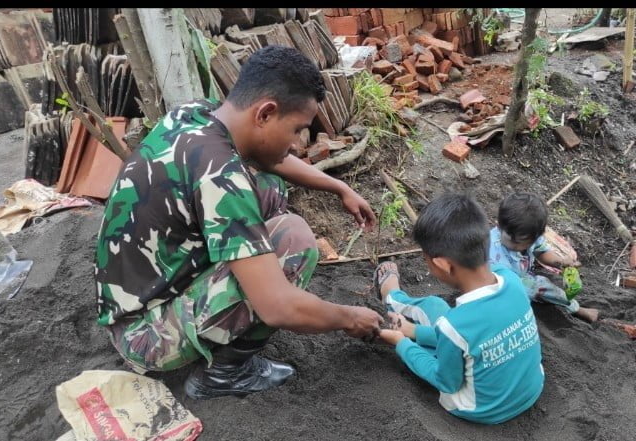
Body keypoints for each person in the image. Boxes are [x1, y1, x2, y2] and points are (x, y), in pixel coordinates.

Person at [94, 45, 383, 400]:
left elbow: (271, 160)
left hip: (132, 296)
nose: (296, 144)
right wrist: (350, 318)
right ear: (265, 113)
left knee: (269, 188)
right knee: (294, 242)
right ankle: (225, 373)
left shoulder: (197, 115)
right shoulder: (221, 179)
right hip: (145, 335)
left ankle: (231, 288)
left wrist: (339, 187)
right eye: (296, 130)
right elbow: (278, 307)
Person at [374, 192, 544, 424]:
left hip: (481, 409)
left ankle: (392, 297)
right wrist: (413, 332)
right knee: (452, 327)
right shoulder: (512, 280)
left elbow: (446, 382)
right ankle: (410, 328)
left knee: (434, 309)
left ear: (442, 264)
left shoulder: (453, 325)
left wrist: (401, 343)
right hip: (530, 389)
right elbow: (478, 336)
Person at [488, 193, 599, 322]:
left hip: (520, 277)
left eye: (524, 243)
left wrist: (560, 262)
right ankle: (577, 309)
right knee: (541, 287)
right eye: (512, 241)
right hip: (502, 285)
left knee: (544, 287)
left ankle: (574, 307)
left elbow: (542, 252)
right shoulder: (491, 250)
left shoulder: (529, 234)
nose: (517, 246)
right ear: (499, 226)